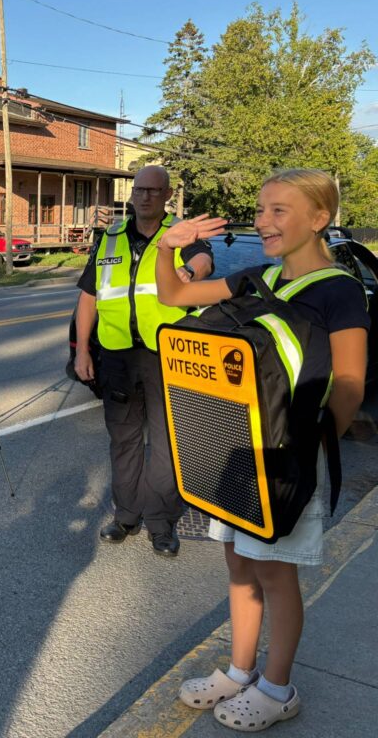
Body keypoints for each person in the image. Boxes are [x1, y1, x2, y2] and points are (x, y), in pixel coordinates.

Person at [154, 169, 368, 731]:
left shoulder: (339, 289)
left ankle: (278, 688)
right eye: (260, 209)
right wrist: (167, 246)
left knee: (276, 573)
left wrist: (313, 447)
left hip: (290, 455)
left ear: (319, 219)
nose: (263, 220)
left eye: (278, 210)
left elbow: (350, 383)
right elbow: (174, 294)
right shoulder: (258, 276)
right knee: (239, 562)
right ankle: (238, 670)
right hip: (237, 451)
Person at [74, 165, 213, 557]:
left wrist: (188, 268)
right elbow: (89, 297)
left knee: (167, 442)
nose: (146, 196)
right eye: (140, 190)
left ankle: (160, 521)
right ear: (131, 194)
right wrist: (84, 349)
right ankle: (127, 514)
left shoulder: (181, 235)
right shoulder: (110, 238)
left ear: (168, 194)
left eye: (154, 190)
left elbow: (204, 261)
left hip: (165, 355)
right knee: (123, 438)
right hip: (116, 356)